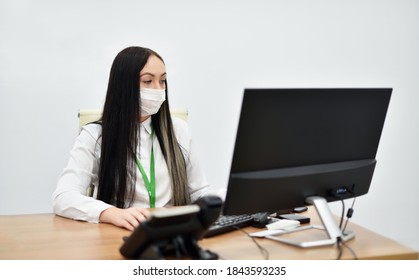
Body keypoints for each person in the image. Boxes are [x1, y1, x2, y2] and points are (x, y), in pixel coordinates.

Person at [52, 46, 224, 231]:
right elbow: (63, 196)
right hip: (121, 232)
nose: (158, 90)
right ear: (123, 86)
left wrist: (223, 199)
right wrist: (110, 213)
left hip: (173, 232)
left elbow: (198, 192)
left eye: (163, 81)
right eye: (148, 81)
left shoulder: (178, 129)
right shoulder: (95, 135)